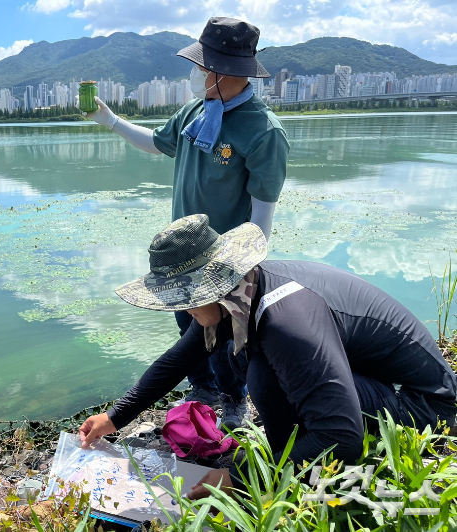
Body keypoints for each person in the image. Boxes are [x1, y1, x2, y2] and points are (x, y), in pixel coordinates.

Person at [78, 214, 457, 499]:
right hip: (374, 381)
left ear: (214, 287)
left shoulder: (287, 323)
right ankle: (292, 457)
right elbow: (177, 360)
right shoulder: (242, 291)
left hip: (425, 408)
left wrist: (239, 480)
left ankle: (296, 474)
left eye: (187, 301)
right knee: (257, 367)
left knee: (263, 374)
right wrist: (115, 417)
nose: (183, 311)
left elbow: (342, 435)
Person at [85, 17, 290, 427]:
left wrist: (237, 271)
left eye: (201, 67)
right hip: (185, 253)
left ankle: (234, 399)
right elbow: (157, 143)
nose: (195, 74)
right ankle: (201, 388)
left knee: (228, 336)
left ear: (221, 71)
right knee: (188, 324)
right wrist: (109, 120)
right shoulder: (197, 111)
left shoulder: (263, 132)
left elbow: (262, 216)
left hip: (224, 259)